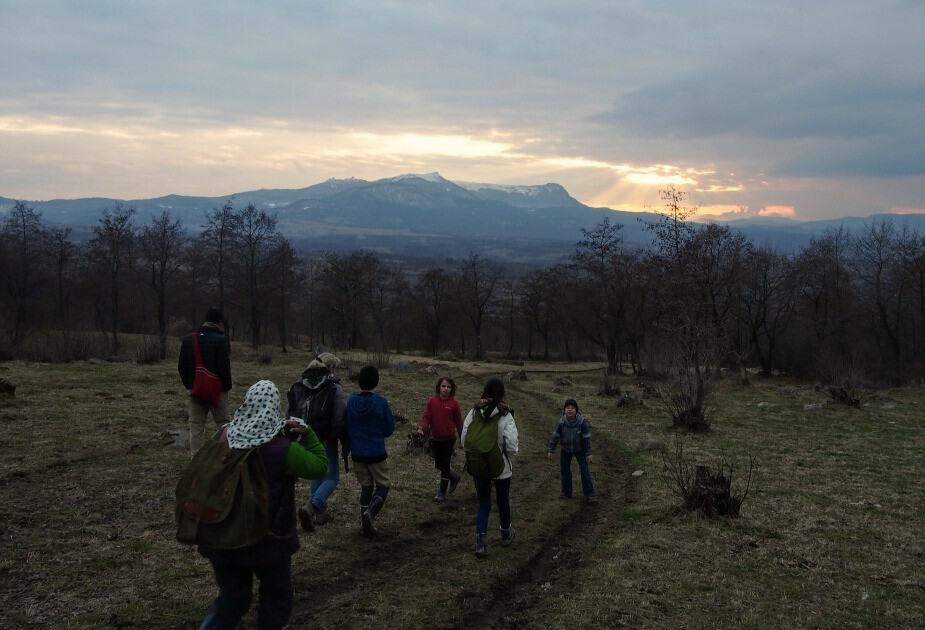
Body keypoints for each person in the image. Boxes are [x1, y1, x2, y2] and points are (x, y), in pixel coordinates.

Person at [198, 380, 328, 630]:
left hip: (222, 535)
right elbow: (320, 466)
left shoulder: (223, 436)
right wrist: (308, 433)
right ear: (274, 408)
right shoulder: (283, 450)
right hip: (269, 541)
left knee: (231, 599)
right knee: (276, 598)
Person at [286, 354, 347, 532]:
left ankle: (319, 514)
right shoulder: (334, 387)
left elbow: (289, 411)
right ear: (330, 368)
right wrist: (336, 435)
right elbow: (339, 417)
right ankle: (313, 505)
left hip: (303, 435)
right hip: (325, 436)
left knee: (317, 473)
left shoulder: (299, 385)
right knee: (332, 476)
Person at [461, 377, 519, 558]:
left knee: (484, 503)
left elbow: (464, 440)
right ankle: (505, 534)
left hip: (478, 465)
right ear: (502, 394)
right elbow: (512, 447)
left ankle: (480, 542)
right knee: (502, 501)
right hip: (500, 467)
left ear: (484, 392)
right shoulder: (506, 415)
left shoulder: (474, 412)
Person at [345, 365, 395, 536]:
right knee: (383, 485)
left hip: (357, 453)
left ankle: (364, 523)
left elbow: (346, 424)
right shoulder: (380, 402)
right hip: (376, 453)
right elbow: (389, 428)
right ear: (376, 381)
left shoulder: (350, 401)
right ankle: (370, 513)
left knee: (366, 487)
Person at [178, 307, 232, 455]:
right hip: (217, 391)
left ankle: (196, 463)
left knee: (196, 427)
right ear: (219, 322)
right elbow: (224, 369)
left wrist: (190, 386)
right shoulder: (221, 340)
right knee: (223, 425)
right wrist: (226, 388)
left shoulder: (189, 339)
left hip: (196, 390)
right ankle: (225, 457)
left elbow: (181, 367)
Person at [416, 376, 463, 502]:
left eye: (448, 387)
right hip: (436, 438)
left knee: (445, 464)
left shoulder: (454, 404)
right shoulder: (432, 401)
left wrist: (462, 438)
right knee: (439, 464)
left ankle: (441, 493)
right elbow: (426, 417)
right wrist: (422, 428)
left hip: (449, 439)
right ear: (439, 387)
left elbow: (459, 422)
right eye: (443, 386)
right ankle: (454, 477)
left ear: (452, 389)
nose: (446, 389)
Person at [547, 398, 595, 502]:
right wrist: (551, 450)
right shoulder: (561, 422)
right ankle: (566, 493)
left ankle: (589, 494)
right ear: (564, 410)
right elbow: (556, 436)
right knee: (565, 471)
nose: (570, 410)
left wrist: (588, 453)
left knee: (585, 471)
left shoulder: (582, 422)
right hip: (565, 449)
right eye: (567, 408)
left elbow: (586, 437)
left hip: (580, 449)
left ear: (576, 410)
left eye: (572, 408)